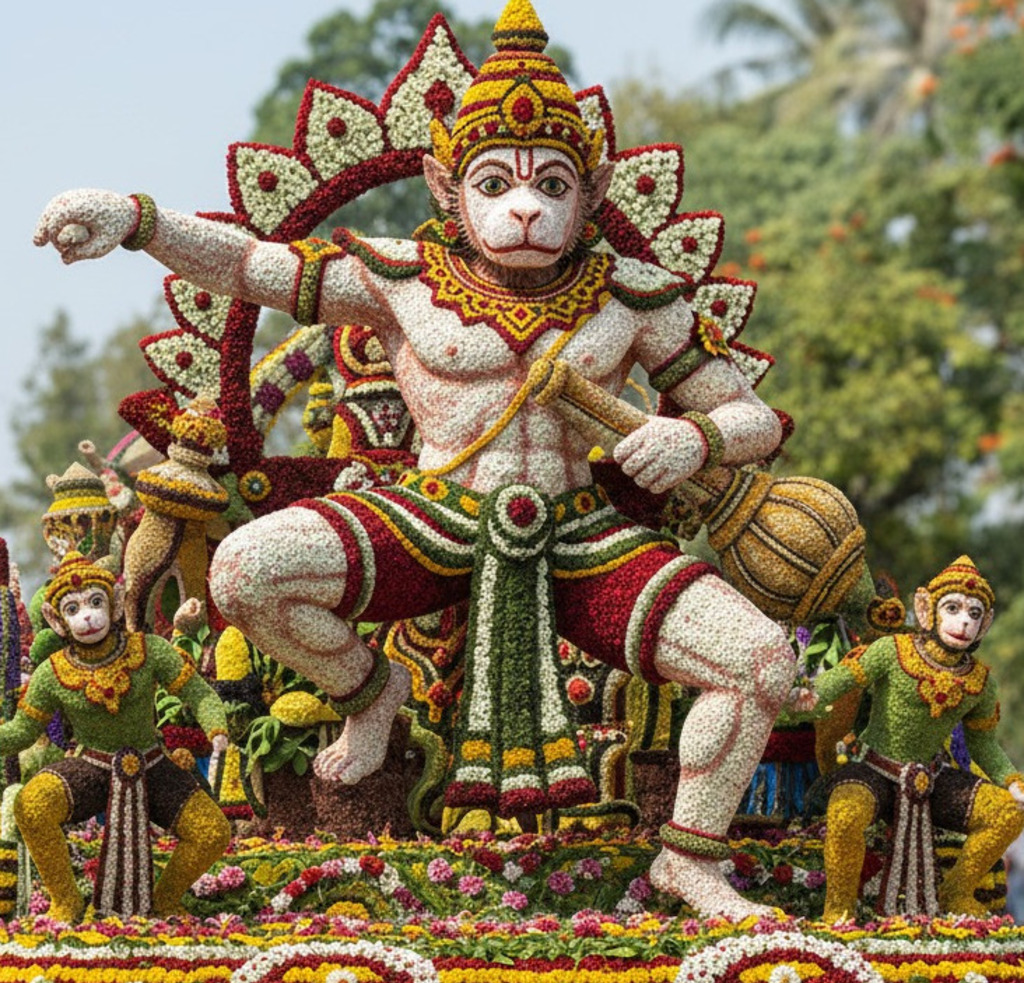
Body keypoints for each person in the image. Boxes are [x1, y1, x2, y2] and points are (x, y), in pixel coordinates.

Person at [34, 0, 799, 919]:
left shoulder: (634, 297)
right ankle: (369, 688)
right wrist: (137, 218)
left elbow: (753, 416)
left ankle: (689, 858)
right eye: (498, 184)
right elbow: (254, 269)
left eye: (554, 185)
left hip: (578, 538)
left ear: (591, 195)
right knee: (243, 572)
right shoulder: (403, 282)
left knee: (760, 663)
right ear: (448, 186)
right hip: (434, 514)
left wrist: (696, 435)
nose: (526, 208)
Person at [1, 552, 230, 921]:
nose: (87, 616)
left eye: (95, 602)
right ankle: (66, 901)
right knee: (32, 805)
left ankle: (165, 899)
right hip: (91, 765)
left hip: (152, 764)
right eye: (73, 609)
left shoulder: (148, 651)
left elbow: (198, 693)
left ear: (116, 604)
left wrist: (216, 727)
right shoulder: (52, 673)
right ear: (57, 621)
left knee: (212, 832)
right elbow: (23, 731)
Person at [810, 556, 1024, 921]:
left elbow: (983, 744)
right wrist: (802, 695)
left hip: (931, 780)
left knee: (1006, 814)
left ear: (985, 624)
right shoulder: (893, 652)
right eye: (953, 608)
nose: (964, 622)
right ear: (927, 610)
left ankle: (956, 893)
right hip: (873, 769)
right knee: (845, 814)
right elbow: (835, 685)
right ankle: (839, 910)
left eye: (974, 614)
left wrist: (1012, 781)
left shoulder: (979, 683)